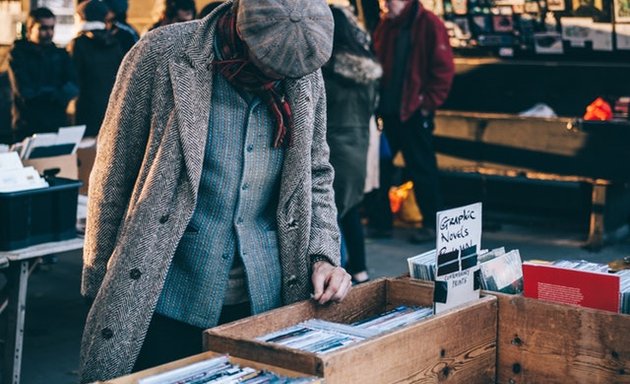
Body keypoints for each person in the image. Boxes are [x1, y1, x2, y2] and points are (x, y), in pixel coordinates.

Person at [79, 0, 351, 382]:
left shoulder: (303, 73)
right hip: (164, 291)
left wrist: (323, 255)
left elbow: (317, 172)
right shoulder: (160, 53)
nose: (278, 79)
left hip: (265, 299)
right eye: (267, 65)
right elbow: (112, 171)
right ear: (241, 29)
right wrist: (98, 285)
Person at [372, 0, 455, 243]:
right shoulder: (386, 25)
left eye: (390, 0)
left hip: (413, 112)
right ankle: (381, 223)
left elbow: (443, 70)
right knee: (380, 168)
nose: (385, 4)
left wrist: (426, 104)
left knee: (422, 168)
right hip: (389, 111)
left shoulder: (428, 23)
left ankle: (432, 224)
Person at [323, 5, 381, 284]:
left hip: (331, 146)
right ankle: (359, 268)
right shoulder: (366, 69)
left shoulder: (326, 69)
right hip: (360, 145)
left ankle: (339, 269)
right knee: (350, 210)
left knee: (328, 213)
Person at [7, 7, 78, 141]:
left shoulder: (60, 54)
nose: (49, 33)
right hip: (27, 125)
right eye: (43, 28)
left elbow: (73, 86)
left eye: (52, 28)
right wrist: (55, 94)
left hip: (56, 123)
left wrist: (48, 94)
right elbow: (24, 91)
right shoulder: (18, 54)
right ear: (30, 29)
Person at [68, 0, 125, 137]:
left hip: (86, 109)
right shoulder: (114, 43)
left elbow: (72, 77)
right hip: (111, 108)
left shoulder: (78, 44)